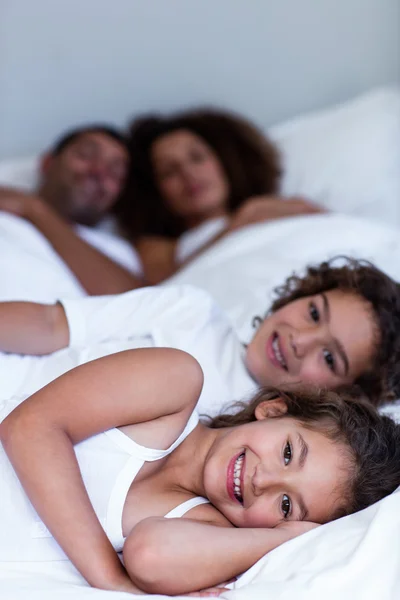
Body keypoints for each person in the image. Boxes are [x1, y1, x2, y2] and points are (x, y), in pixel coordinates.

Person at [0, 348, 399, 596]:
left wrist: (284, 540)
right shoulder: (174, 382)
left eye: (286, 505)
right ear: (274, 409)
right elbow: (29, 427)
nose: (264, 481)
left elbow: (151, 555)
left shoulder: (209, 528)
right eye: (289, 452)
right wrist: (110, 578)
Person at [0, 258, 400, 411]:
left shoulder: (265, 440)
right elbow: (51, 325)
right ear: (302, 293)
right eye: (314, 312)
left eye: (329, 358)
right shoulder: (191, 312)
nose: (301, 339)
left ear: (346, 393)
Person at [119, 107, 323, 283]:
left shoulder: (273, 207)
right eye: (169, 171)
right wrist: (241, 222)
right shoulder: (163, 247)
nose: (188, 174)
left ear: (223, 162)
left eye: (197, 157)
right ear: (156, 191)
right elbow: (164, 287)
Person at [0, 125, 145, 294]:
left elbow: (134, 305)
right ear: (48, 163)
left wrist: (35, 209)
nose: (99, 171)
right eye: (86, 155)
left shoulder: (118, 253)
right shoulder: (5, 202)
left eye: (114, 172)